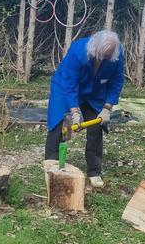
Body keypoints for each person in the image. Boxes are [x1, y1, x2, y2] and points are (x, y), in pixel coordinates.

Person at [45, 30, 125, 188]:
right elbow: (69, 83)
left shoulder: (117, 54)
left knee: (96, 125)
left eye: (107, 57)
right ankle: (51, 166)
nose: (103, 59)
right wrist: (74, 112)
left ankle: (94, 172)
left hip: (94, 90)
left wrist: (107, 108)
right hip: (66, 85)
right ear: (94, 48)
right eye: (100, 55)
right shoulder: (78, 50)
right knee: (58, 123)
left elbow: (116, 82)